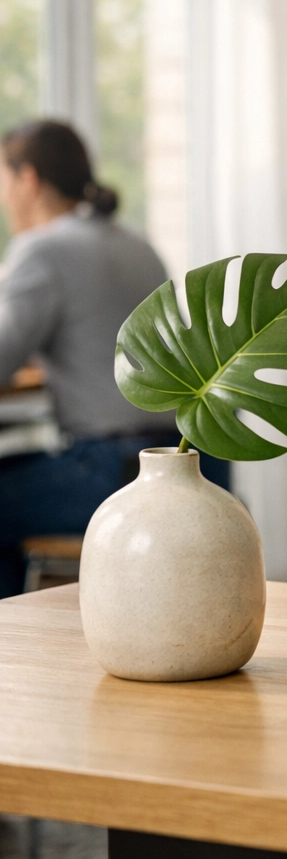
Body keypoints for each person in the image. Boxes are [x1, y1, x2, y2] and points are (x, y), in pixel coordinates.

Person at [0, 120, 231, 598]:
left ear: (28, 179)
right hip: (190, 459)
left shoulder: (42, 250)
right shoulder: (136, 244)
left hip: (111, 470)